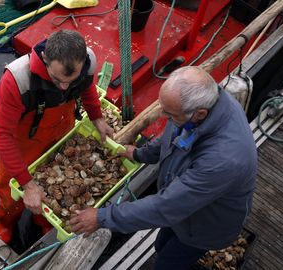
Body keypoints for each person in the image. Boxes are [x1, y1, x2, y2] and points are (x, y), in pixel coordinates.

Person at [69, 66, 257, 269]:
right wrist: (140, 153)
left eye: (169, 114)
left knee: (167, 263)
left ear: (200, 114)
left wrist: (102, 217)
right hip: (184, 213)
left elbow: (166, 206)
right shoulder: (207, 106)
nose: (162, 116)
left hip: (206, 226)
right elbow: (176, 134)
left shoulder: (222, 161)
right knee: (161, 245)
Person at [0, 29, 114, 244]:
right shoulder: (17, 80)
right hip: (23, 143)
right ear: (45, 59)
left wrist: (97, 118)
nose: (65, 86)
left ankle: (43, 221)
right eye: (57, 80)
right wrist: (28, 185)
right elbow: (1, 135)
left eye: (70, 80)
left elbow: (87, 89)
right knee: (9, 189)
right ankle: (6, 221)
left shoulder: (87, 62)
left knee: (50, 188)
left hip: (61, 131)